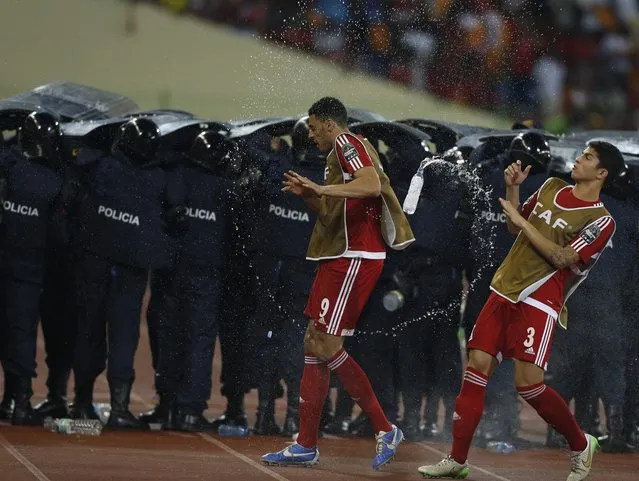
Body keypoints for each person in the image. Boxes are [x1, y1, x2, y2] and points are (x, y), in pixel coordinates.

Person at [417, 140, 625, 481]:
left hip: (539, 300)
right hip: (503, 289)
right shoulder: (551, 186)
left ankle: (579, 442)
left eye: (587, 158)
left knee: (528, 385)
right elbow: (515, 226)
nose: (578, 160)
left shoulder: (601, 221)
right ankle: (456, 459)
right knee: (476, 369)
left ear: (601, 172)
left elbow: (564, 258)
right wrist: (513, 192)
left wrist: (521, 221)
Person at [260, 97, 415, 469]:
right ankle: (305, 444)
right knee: (314, 341)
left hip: (355, 257)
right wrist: (312, 195)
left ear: (330, 124)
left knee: (327, 344)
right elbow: (333, 214)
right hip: (340, 255)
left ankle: (384, 427)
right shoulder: (337, 158)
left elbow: (372, 185)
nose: (310, 135)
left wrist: (322, 188)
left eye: (313, 128)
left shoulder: (348, 144)